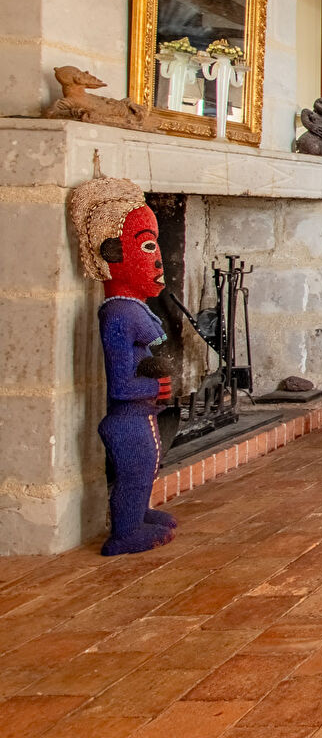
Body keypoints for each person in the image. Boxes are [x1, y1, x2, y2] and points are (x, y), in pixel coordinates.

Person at [67, 175, 177, 556]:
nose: (159, 258)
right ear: (114, 253)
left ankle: (138, 514)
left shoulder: (131, 310)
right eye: (147, 245)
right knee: (135, 468)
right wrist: (155, 388)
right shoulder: (117, 315)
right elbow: (118, 385)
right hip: (126, 419)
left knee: (144, 468)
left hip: (140, 416)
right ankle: (125, 532)